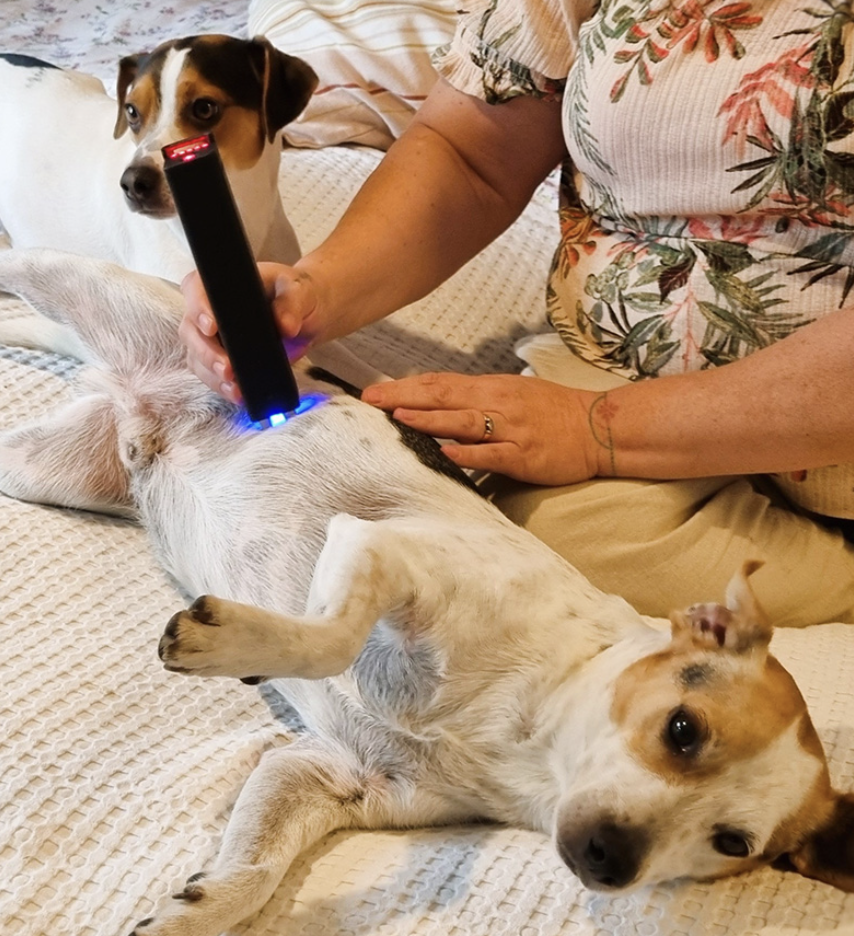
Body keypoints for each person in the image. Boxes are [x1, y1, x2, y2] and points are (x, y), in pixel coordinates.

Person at [180, 0, 854, 627]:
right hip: (621, 360)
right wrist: (316, 289)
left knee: (540, 550)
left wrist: (593, 432)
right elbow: (472, 151)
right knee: (452, 504)